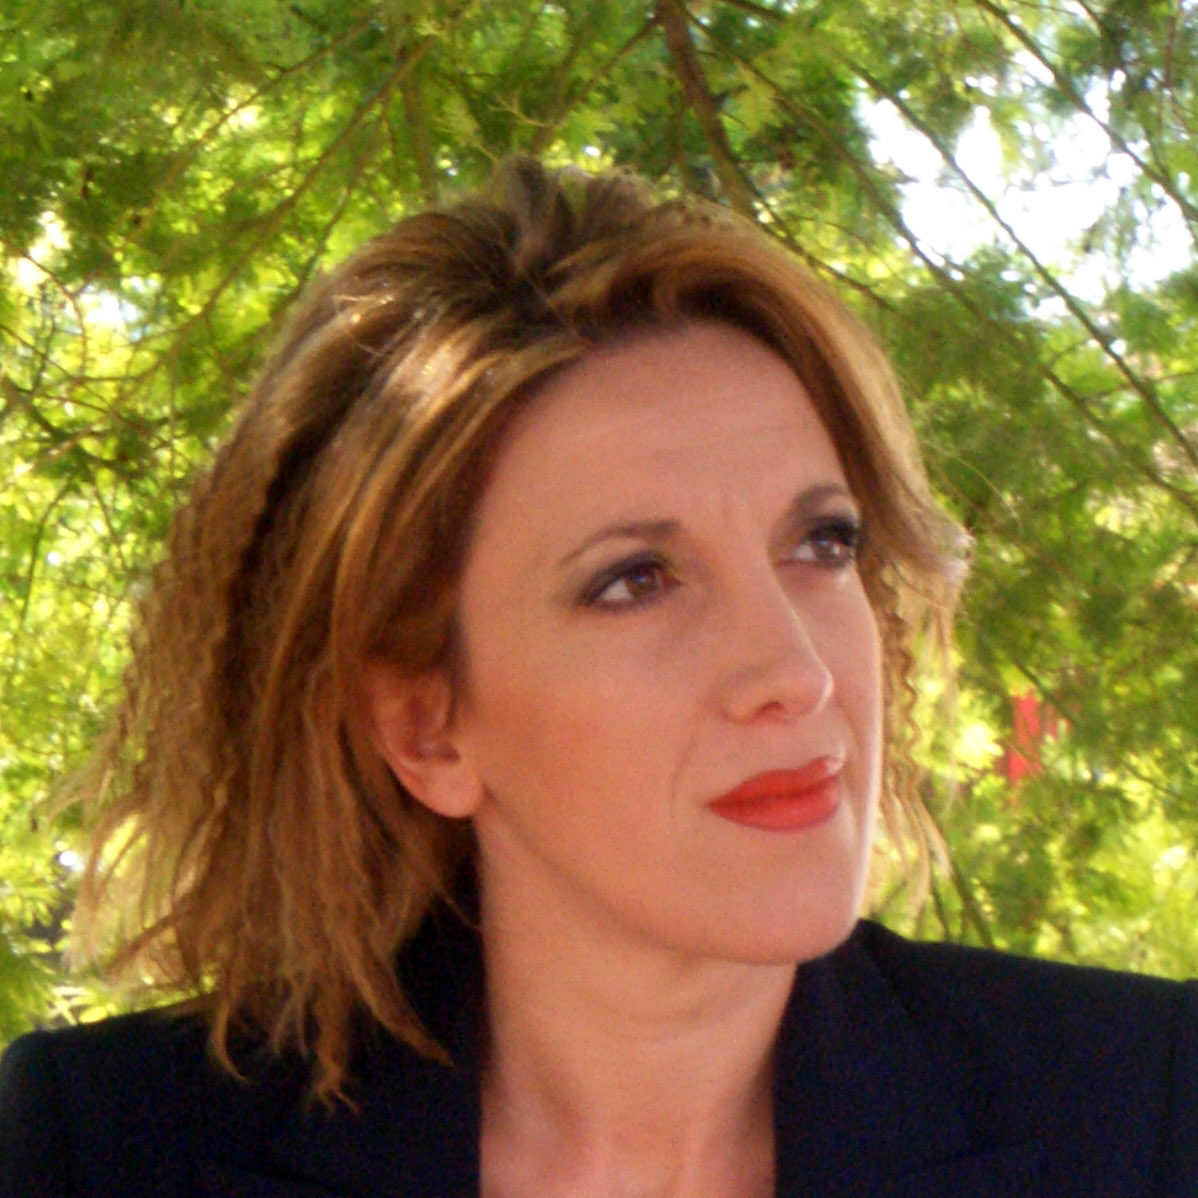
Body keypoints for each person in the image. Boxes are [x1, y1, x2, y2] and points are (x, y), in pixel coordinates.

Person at [0, 158, 1194, 1198]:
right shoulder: (99, 1151)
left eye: (820, 543)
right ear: (424, 725)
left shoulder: (1142, 1112)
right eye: (635, 580)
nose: (793, 671)